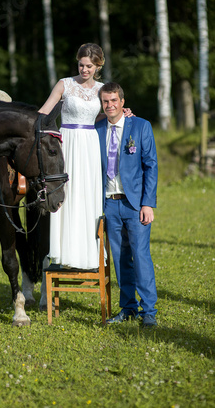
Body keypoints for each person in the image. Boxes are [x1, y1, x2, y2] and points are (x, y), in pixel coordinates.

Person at [39, 43, 131, 270]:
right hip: (67, 141)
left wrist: (123, 112)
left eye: (89, 66)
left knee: (87, 194)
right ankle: (62, 251)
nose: (84, 69)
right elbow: (43, 112)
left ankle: (89, 255)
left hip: (90, 144)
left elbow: (106, 113)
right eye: (81, 64)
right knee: (66, 193)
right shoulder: (64, 84)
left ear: (98, 66)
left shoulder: (102, 89)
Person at [95, 82, 158, 327]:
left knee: (140, 256)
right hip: (110, 204)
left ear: (122, 102)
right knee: (120, 259)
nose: (110, 105)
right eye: (105, 101)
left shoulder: (141, 126)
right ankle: (128, 308)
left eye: (114, 101)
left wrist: (147, 204)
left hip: (135, 205)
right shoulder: (97, 128)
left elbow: (150, 166)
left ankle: (149, 310)